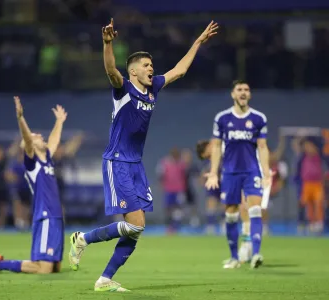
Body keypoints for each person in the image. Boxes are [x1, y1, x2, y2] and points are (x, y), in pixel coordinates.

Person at [68, 18, 218, 292]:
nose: (152, 69)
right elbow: (111, 70)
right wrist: (107, 43)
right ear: (134, 71)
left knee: (137, 229)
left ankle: (104, 279)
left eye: (152, 65)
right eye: (147, 66)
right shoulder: (123, 88)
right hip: (117, 162)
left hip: (135, 165)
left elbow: (180, 71)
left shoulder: (153, 89)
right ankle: (83, 239)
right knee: (135, 225)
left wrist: (197, 42)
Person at [0, 96, 67, 274]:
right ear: (29, 144)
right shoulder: (32, 164)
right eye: (35, 136)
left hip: (55, 217)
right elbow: (27, 139)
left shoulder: (46, 160)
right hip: (45, 216)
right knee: (44, 269)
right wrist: (20, 118)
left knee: (55, 268)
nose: (39, 135)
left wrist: (59, 122)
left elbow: (54, 141)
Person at [205, 80, 271, 269]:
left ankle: (256, 253)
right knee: (231, 215)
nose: (243, 92)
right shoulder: (222, 118)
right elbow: (216, 147)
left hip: (251, 171)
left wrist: (266, 173)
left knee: (255, 210)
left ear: (249, 95)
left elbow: (263, 147)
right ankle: (234, 257)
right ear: (233, 94)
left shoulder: (259, 118)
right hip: (230, 173)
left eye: (246, 90)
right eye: (239, 90)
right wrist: (212, 173)